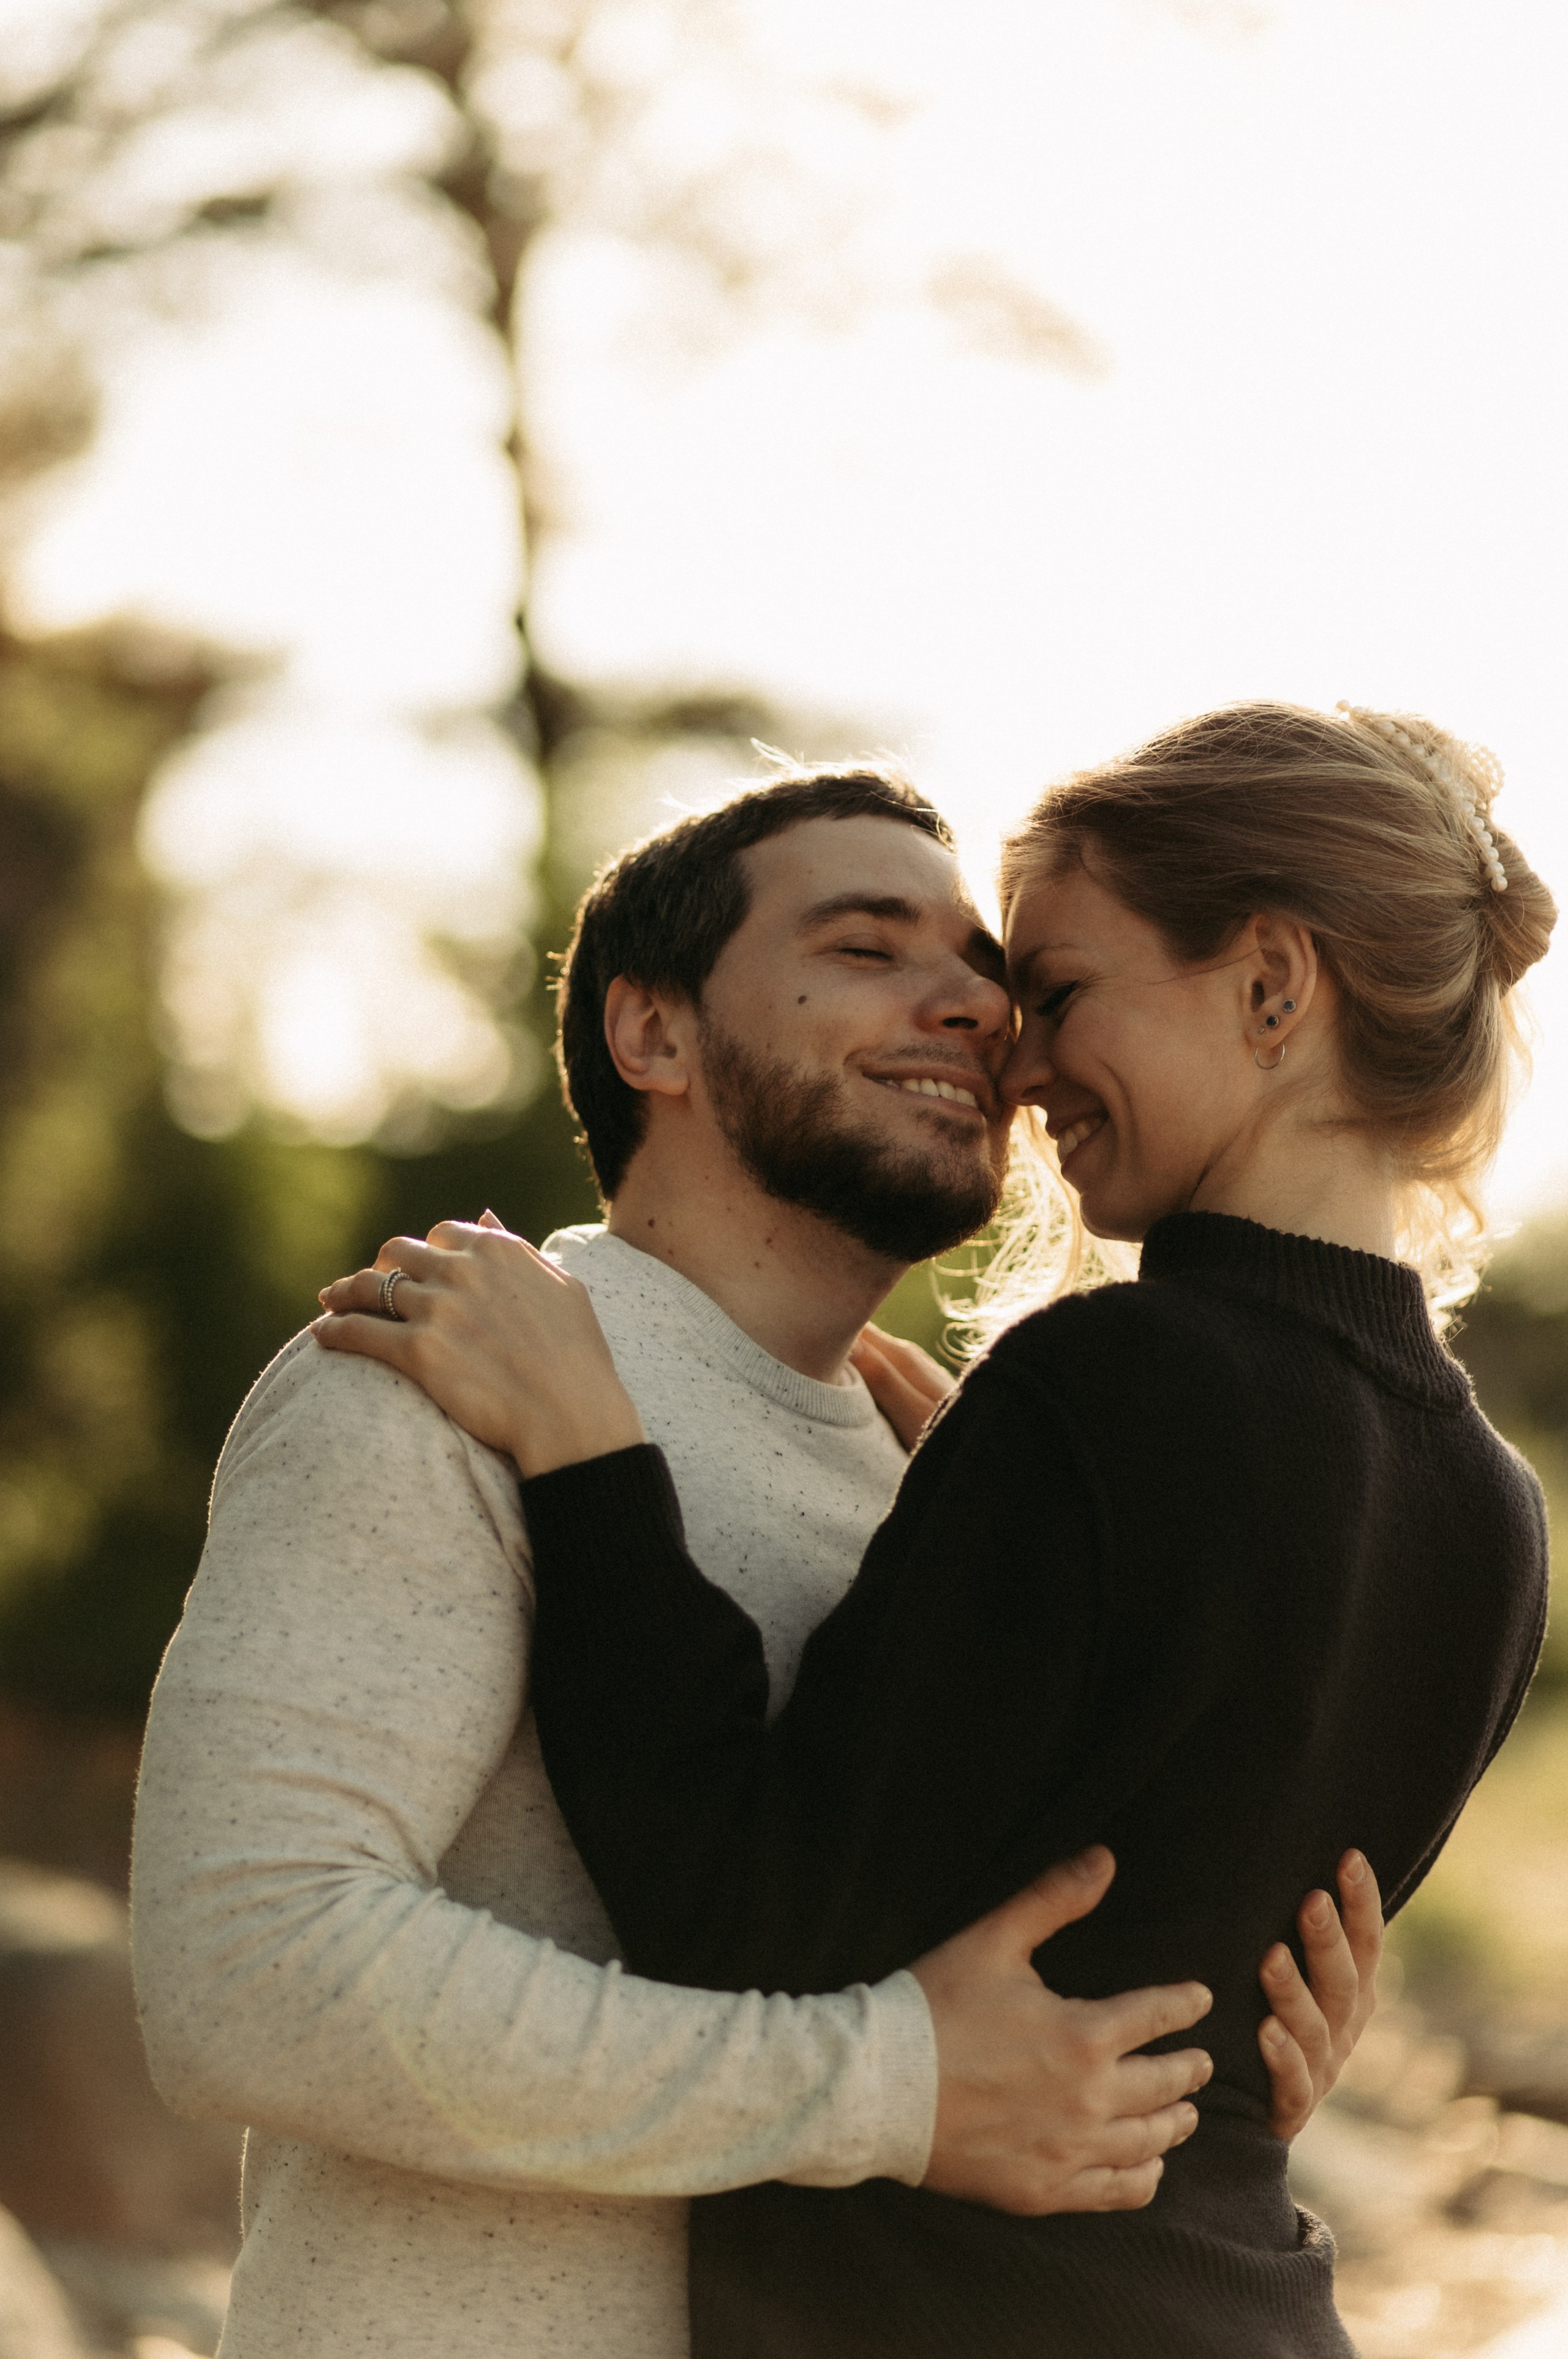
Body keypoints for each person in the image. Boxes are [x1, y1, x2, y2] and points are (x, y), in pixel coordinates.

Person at [317, 707, 1554, 2359]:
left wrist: (589, 1450)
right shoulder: (1498, 1506)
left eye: (1062, 993)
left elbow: (737, 1925)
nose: (1020, 1066)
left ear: (1271, 986)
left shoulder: (1112, 1387)